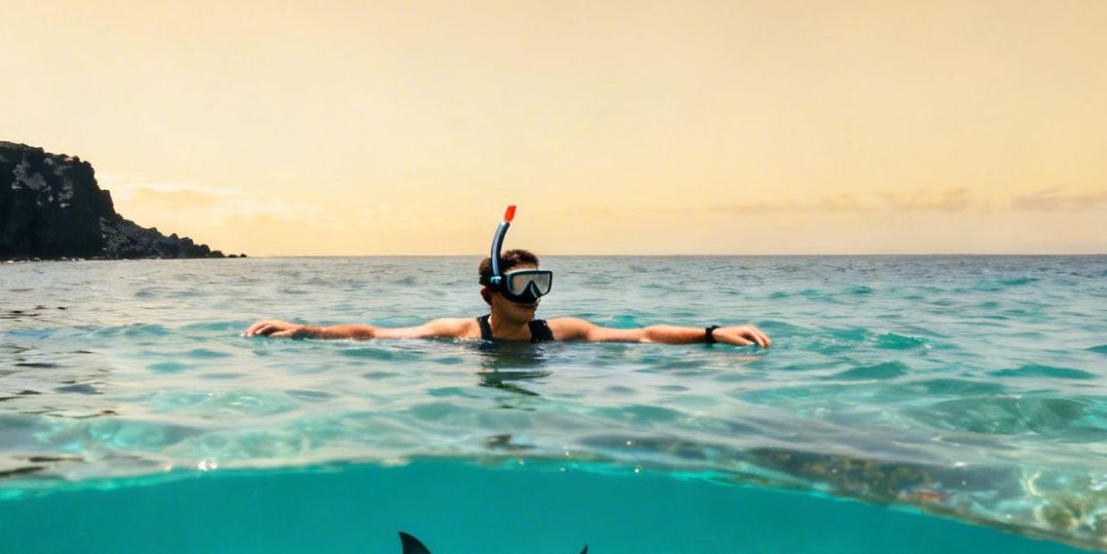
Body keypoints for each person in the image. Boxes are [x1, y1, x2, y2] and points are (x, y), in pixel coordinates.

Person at [243, 206, 770, 347]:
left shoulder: (560, 333)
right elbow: (374, 334)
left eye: (542, 283)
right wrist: (304, 330)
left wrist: (710, 333)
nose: (535, 298)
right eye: (523, 286)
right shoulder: (462, 334)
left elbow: (642, 335)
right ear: (491, 292)